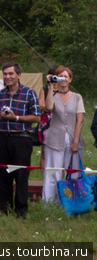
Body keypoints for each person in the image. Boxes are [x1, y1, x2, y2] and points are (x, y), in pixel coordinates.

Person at [0, 61, 40, 217]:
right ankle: (4, 209)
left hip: (22, 139)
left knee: (21, 176)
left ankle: (21, 211)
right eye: (5, 74)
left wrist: (17, 118)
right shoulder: (0, 94)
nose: (7, 77)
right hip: (3, 138)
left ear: (18, 75)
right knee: (3, 175)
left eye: (11, 74)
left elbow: (37, 117)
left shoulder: (29, 93)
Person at [42, 66, 86, 203]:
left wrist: (76, 142)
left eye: (65, 76)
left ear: (70, 79)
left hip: (73, 138)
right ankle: (50, 203)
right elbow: (48, 107)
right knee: (52, 171)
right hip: (55, 138)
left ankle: (72, 203)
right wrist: (50, 86)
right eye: (60, 76)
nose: (63, 79)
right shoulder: (53, 95)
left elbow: (80, 121)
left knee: (73, 172)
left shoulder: (77, 97)